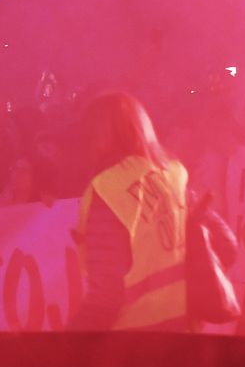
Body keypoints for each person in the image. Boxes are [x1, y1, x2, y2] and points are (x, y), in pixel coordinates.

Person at [73, 90, 236, 332]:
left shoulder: (108, 192)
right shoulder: (173, 178)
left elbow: (105, 298)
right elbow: (227, 245)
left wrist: (65, 346)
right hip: (185, 337)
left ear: (96, 137)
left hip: (134, 348)